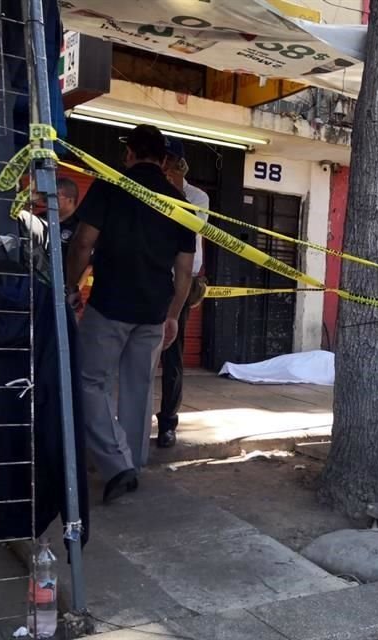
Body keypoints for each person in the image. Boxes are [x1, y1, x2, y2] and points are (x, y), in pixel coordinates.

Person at [65, 125, 195, 502]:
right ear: (164, 159)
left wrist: (71, 287)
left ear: (129, 153)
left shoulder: (109, 187)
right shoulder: (179, 202)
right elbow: (184, 272)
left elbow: (83, 244)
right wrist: (172, 315)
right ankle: (133, 461)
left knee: (90, 382)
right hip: (154, 311)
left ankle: (117, 463)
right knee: (140, 385)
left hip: (110, 305)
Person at [155, 140, 210, 448]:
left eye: (169, 162)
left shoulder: (197, 197)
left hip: (181, 283)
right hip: (152, 278)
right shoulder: (148, 192)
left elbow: (188, 228)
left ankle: (167, 424)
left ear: (179, 166)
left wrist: (174, 192)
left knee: (173, 355)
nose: (164, 168)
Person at [16, 177, 80, 282]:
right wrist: (31, 199)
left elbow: (87, 266)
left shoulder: (79, 226)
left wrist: (72, 289)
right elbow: (22, 222)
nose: (49, 198)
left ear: (70, 200)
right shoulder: (41, 218)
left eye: (56, 194)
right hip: (36, 279)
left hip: (62, 283)